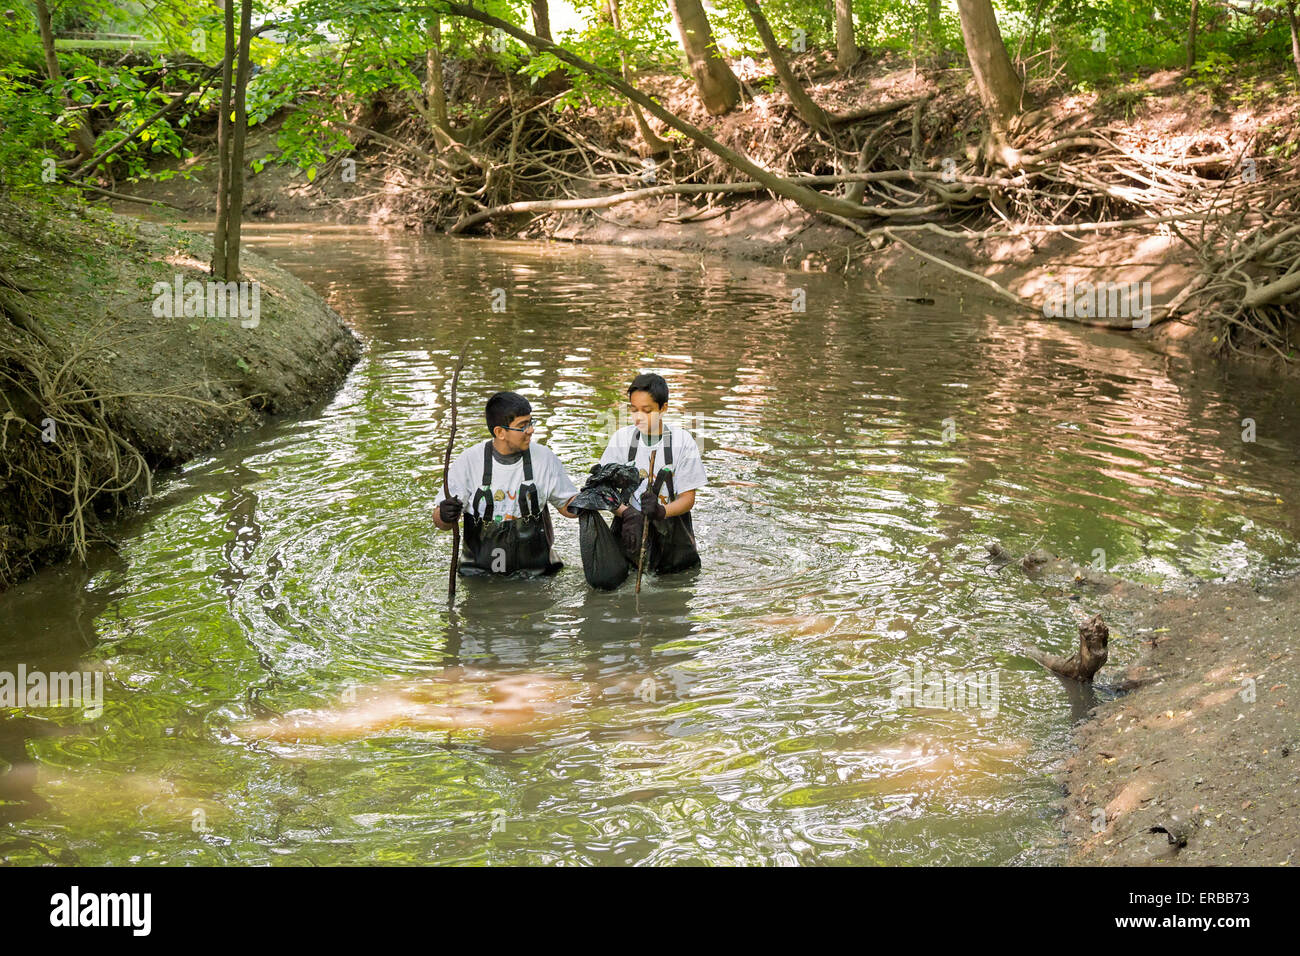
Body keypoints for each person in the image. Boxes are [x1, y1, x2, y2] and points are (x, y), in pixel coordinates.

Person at [434, 391, 579, 576]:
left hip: (537, 571)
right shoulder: (469, 462)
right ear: (500, 432)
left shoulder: (544, 458)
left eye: (530, 422)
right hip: (479, 573)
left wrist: (587, 502)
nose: (531, 430)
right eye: (522, 426)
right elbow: (441, 523)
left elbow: (566, 505)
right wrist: (445, 515)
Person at [600, 373, 705, 575]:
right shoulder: (621, 439)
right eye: (634, 410)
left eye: (647, 411)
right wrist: (627, 513)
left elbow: (688, 499)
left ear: (663, 408)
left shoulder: (682, 442)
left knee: (674, 582)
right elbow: (603, 490)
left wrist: (661, 512)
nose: (638, 416)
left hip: (673, 534)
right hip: (630, 529)